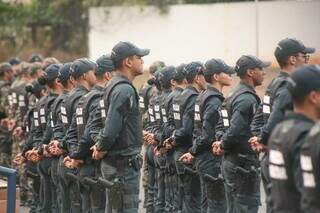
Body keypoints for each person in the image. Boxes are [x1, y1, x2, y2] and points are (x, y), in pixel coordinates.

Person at [249, 38, 315, 212]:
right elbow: (275, 115)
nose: (305, 60)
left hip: (272, 153)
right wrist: (262, 139)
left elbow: (259, 116)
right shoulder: (288, 86)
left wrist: (259, 137)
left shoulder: (274, 83)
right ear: (292, 59)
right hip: (285, 153)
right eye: (304, 56)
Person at [91, 41, 149, 213]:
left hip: (118, 164)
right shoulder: (123, 89)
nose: (142, 61)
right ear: (128, 62)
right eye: (139, 57)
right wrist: (101, 146)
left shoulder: (113, 85)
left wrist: (100, 144)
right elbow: (111, 126)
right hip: (122, 167)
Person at [213, 55, 270, 213]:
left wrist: (220, 142)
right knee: (245, 207)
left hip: (232, 162)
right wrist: (223, 144)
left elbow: (221, 124)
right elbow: (236, 129)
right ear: (250, 72)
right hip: (242, 164)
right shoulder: (247, 99)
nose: (264, 73)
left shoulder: (232, 95)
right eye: (261, 69)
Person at [180, 58, 234, 212]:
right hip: (210, 159)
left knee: (206, 204)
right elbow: (208, 134)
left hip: (202, 157)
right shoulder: (214, 100)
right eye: (226, 72)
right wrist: (193, 151)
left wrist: (193, 152)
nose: (230, 74)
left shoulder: (202, 95)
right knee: (217, 206)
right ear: (216, 77)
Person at [268, 65, 320, 213]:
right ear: (314, 97)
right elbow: (310, 196)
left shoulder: (279, 130)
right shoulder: (309, 135)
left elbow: (273, 192)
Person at [165, 61, 207, 213]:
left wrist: (171, 139)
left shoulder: (179, 96)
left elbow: (169, 124)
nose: (206, 79)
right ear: (197, 78)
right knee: (193, 202)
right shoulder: (194, 98)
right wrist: (174, 138)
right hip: (187, 154)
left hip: (178, 152)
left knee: (183, 200)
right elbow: (189, 129)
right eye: (204, 75)